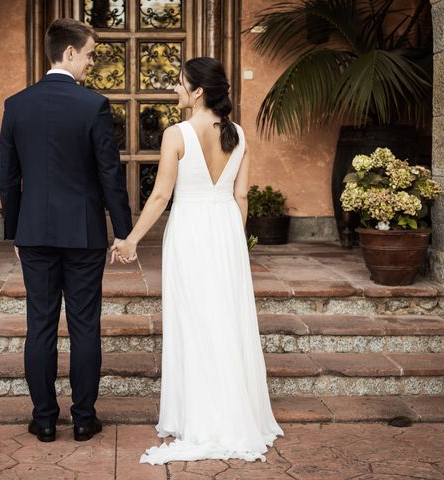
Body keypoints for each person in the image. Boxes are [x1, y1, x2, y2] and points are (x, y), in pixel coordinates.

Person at [112, 57, 284, 464]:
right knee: (226, 319)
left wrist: (132, 239)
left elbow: (160, 197)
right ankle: (232, 411)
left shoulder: (177, 134)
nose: (175, 89)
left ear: (198, 91)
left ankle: (200, 416)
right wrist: (233, 242)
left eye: (179, 83)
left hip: (189, 231)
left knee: (193, 320)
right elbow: (241, 197)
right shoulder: (238, 134)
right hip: (226, 231)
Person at [0, 18, 132, 443]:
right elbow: (110, 174)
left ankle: (42, 419)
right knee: (84, 325)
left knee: (39, 324)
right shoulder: (93, 105)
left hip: (34, 232)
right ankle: (83, 418)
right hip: (84, 233)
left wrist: (14, 232)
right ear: (69, 53)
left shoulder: (16, 105)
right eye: (91, 53)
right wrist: (123, 231)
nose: (92, 62)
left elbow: (8, 177)